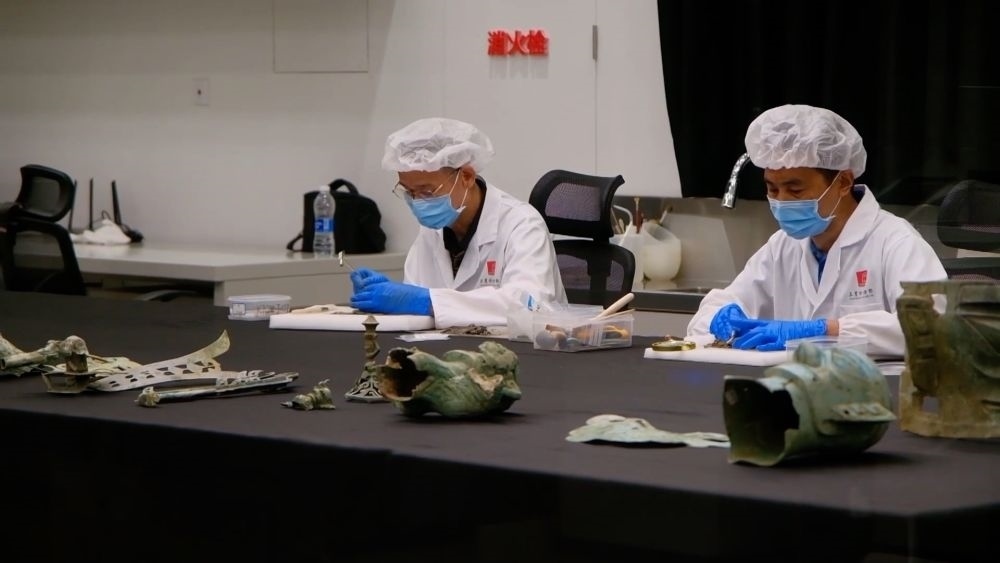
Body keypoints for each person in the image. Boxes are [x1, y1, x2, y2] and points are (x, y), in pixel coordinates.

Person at [688, 104, 947, 357]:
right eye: (772, 189)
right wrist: (721, 317)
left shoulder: (895, 242)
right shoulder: (782, 246)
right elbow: (712, 311)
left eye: (795, 190)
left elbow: (932, 327)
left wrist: (827, 330)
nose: (781, 201)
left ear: (843, 182)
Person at [349, 117, 567, 327]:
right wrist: (388, 297)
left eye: (427, 191)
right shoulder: (432, 230)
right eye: (409, 192)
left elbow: (529, 304)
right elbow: (416, 301)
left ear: (467, 177)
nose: (418, 202)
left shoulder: (522, 224)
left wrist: (427, 301)